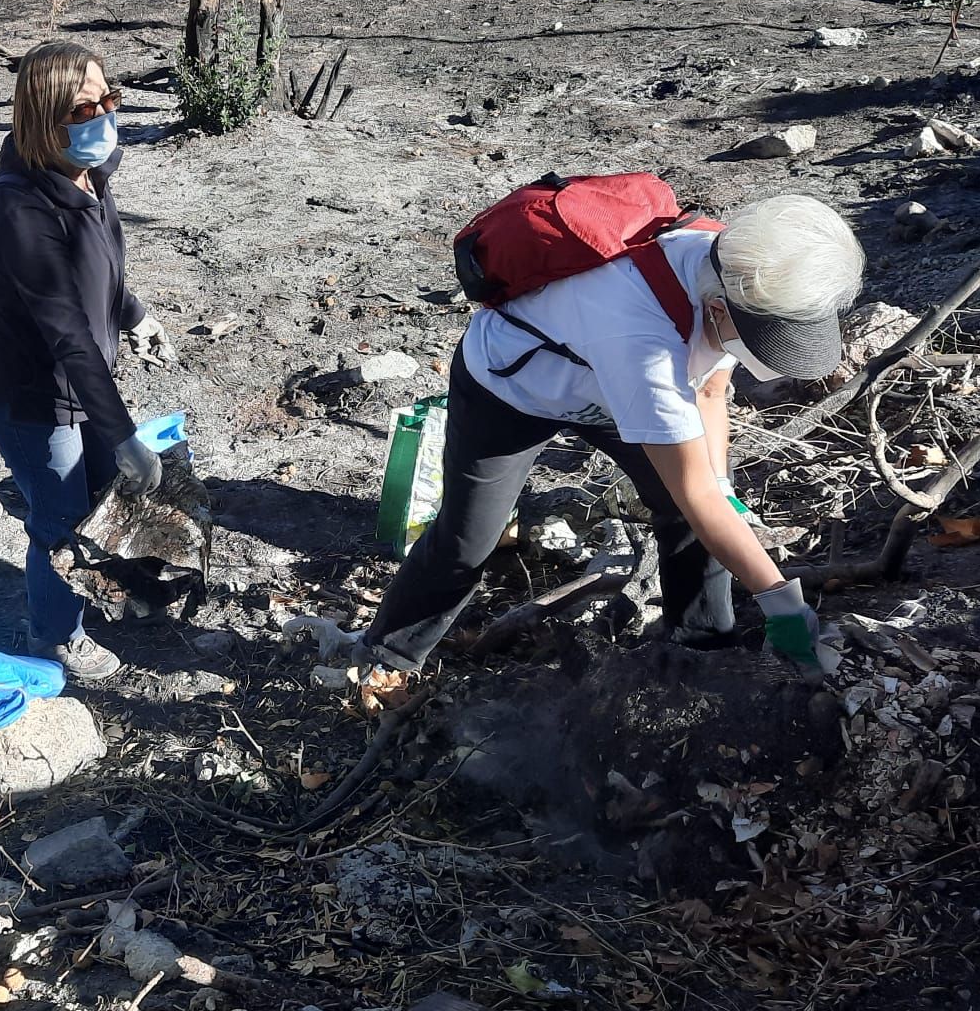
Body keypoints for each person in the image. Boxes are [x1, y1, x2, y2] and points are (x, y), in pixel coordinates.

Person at [353, 195, 863, 678]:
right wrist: (781, 602)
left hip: (606, 386)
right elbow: (695, 495)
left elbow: (711, 387)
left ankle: (701, 649)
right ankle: (385, 658)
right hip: (511, 389)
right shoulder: (643, 342)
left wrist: (723, 488)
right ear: (718, 307)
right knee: (468, 540)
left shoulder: (741, 268)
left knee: (707, 509)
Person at [0, 42, 173, 682]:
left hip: (77, 384)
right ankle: (54, 638)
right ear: (43, 117)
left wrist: (135, 314)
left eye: (109, 99)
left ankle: (100, 590)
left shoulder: (92, 175)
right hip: (30, 397)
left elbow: (101, 269)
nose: (104, 117)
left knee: (95, 496)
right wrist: (124, 435)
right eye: (84, 108)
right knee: (57, 521)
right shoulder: (21, 213)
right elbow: (69, 337)